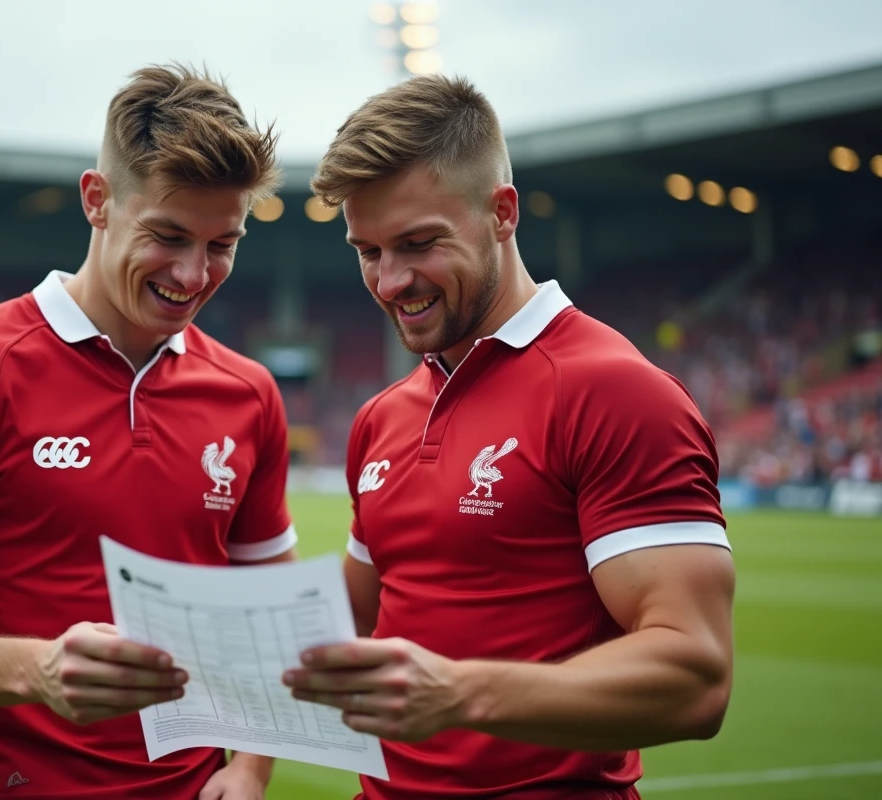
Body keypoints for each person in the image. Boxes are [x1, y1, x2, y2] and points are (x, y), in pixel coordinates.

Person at [0, 64, 295, 800]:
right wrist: (40, 671)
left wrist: (249, 767)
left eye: (223, 244)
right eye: (168, 235)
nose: (193, 273)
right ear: (98, 200)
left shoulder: (249, 394)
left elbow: (269, 621)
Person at [283, 75, 735, 799]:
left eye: (418, 243)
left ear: (501, 212)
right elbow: (352, 614)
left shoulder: (616, 392)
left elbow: (696, 674)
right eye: (367, 250)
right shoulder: (382, 416)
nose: (391, 280)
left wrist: (462, 694)